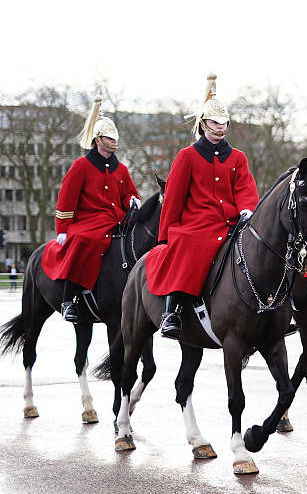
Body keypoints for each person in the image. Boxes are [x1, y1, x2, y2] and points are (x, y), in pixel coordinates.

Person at [145, 73, 259, 339]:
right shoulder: (187, 156)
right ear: (203, 124)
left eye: (223, 123)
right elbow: (173, 198)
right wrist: (166, 236)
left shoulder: (238, 157)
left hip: (231, 221)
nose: (220, 127)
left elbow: (245, 187)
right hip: (196, 224)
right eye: (214, 122)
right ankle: (172, 310)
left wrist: (247, 208)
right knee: (189, 244)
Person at [40, 97, 140, 322]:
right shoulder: (80, 166)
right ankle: (69, 300)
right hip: (87, 222)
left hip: (116, 220)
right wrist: (63, 229)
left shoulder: (121, 168)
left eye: (115, 138)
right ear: (97, 140)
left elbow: (128, 194)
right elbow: (66, 201)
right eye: (108, 138)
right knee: (84, 241)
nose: (113, 141)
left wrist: (133, 201)